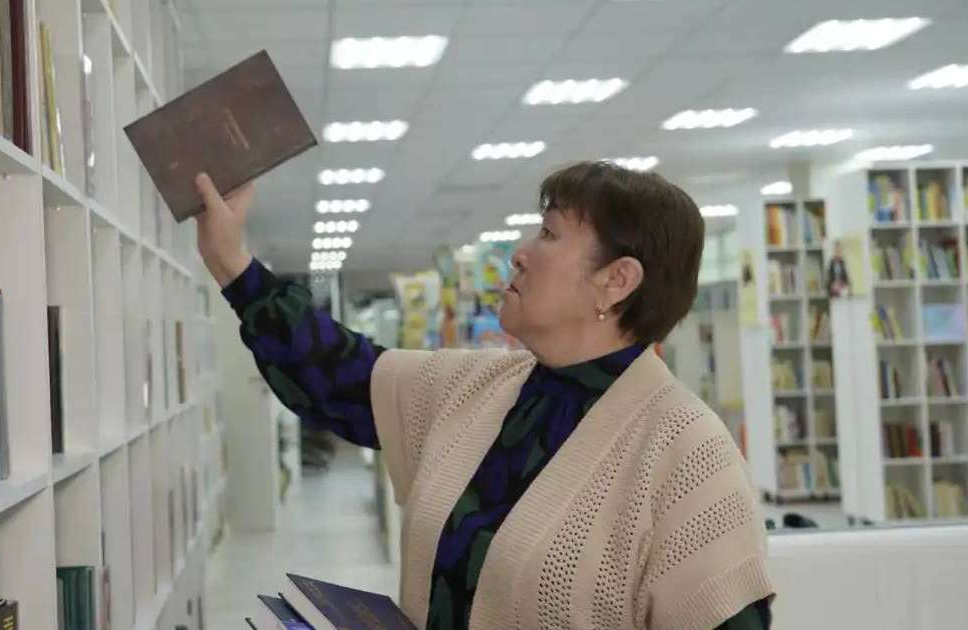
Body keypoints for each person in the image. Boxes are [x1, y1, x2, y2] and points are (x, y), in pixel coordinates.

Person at [194, 161, 774, 630]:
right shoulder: (481, 388)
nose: (521, 251)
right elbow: (339, 375)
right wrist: (231, 263)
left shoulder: (688, 453)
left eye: (549, 233)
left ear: (616, 280)